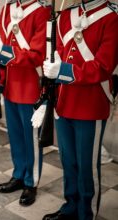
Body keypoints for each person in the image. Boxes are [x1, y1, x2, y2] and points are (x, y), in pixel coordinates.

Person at [40, 0, 118, 219]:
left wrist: (63, 70)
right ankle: (70, 206)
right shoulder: (67, 15)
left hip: (91, 105)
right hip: (63, 101)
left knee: (87, 168)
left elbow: (103, 66)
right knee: (69, 161)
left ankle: (87, 212)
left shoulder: (112, 17)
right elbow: (59, 53)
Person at [0, 0, 50, 206]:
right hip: (10, 83)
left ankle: (31, 182)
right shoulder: (7, 7)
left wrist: (4, 53)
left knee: (30, 138)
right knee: (14, 134)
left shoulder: (41, 11)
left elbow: (37, 54)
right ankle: (19, 174)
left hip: (30, 85)